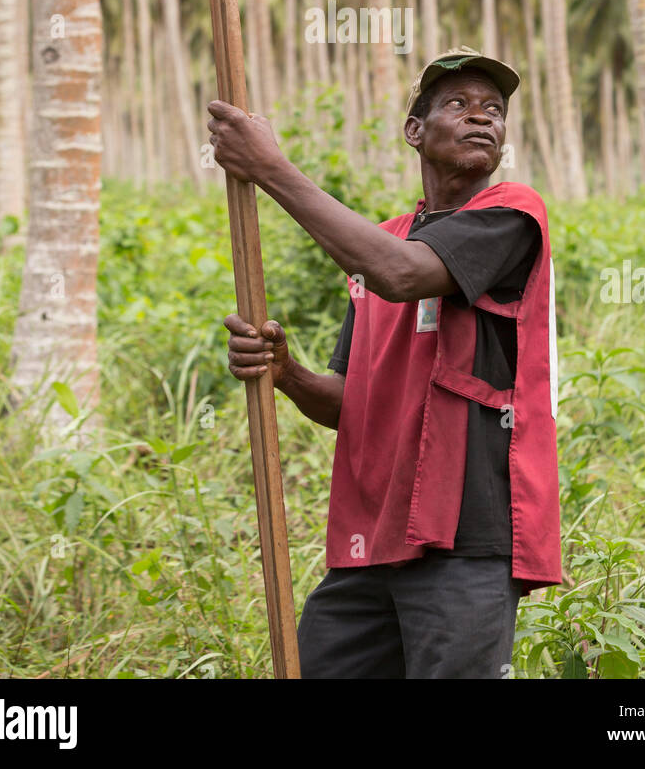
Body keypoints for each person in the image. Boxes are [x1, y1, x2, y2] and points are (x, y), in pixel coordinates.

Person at [209, 46, 562, 680]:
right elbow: (350, 403)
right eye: (458, 104)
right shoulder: (381, 245)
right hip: (372, 543)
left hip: (466, 540)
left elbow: (403, 275)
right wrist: (288, 375)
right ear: (414, 131)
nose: (481, 117)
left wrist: (269, 167)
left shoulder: (511, 215)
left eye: (494, 109)